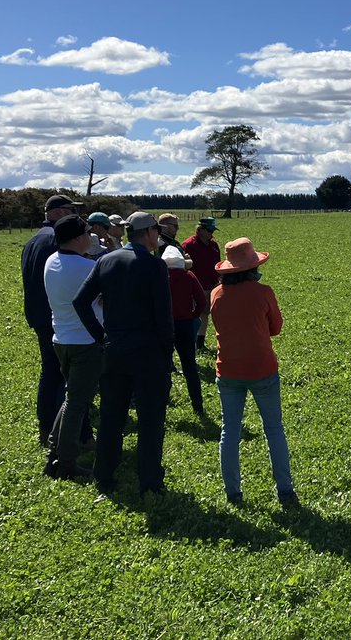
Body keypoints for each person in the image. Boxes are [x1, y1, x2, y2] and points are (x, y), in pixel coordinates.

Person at [73, 212, 175, 495]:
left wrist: (100, 335)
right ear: (148, 233)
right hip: (148, 354)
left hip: (114, 350)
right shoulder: (154, 267)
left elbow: (80, 300)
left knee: (111, 417)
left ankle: (103, 475)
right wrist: (168, 353)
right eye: (156, 230)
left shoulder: (105, 260)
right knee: (151, 420)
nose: (158, 235)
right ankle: (150, 481)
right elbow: (164, 318)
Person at [210, 237, 298, 507]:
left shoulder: (215, 294)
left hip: (228, 370)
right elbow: (276, 328)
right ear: (252, 266)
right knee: (274, 429)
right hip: (262, 368)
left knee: (230, 431)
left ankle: (233, 493)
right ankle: (285, 490)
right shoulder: (263, 292)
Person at [42, 214, 104, 480]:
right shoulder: (87, 268)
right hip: (86, 342)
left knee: (71, 399)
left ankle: (55, 452)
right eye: (87, 233)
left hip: (61, 339)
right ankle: (65, 463)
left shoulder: (51, 261)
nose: (90, 238)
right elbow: (105, 298)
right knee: (77, 403)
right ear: (78, 238)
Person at [21, 193, 84, 445]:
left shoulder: (33, 240)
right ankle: (68, 436)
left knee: (50, 372)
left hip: (38, 315)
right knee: (67, 379)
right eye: (70, 210)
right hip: (58, 317)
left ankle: (46, 428)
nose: (75, 216)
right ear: (56, 212)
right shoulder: (56, 240)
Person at [162, 246, 208, 418]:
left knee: (164, 367)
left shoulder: (160, 277)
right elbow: (202, 302)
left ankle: (162, 405)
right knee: (190, 367)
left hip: (164, 326)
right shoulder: (189, 276)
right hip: (185, 325)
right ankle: (198, 406)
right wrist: (192, 316)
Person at [182, 217, 221, 351]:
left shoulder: (214, 245)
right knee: (193, 314)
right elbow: (184, 267)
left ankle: (200, 342)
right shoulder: (189, 245)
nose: (211, 233)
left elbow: (218, 265)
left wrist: (219, 280)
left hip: (212, 285)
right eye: (209, 230)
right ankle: (190, 343)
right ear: (200, 229)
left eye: (212, 230)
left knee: (205, 313)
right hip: (195, 287)